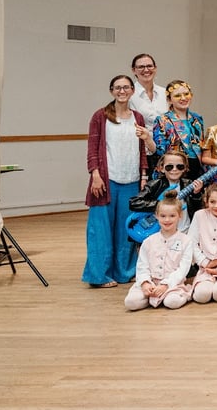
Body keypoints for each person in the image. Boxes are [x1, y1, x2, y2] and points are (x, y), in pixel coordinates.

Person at [83, 74, 147, 288]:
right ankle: (99, 276)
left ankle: (124, 272)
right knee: (100, 230)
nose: (122, 91)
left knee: (126, 230)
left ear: (132, 91)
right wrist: (95, 174)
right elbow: (93, 148)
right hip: (106, 181)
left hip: (132, 180)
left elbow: (142, 150)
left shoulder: (138, 117)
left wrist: (144, 176)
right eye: (118, 87)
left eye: (126, 87)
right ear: (111, 91)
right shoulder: (100, 116)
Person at [123, 197, 192, 311]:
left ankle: (179, 295)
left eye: (172, 216)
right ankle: (151, 297)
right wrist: (145, 282)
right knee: (130, 303)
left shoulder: (186, 241)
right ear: (156, 216)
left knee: (172, 302)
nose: (167, 220)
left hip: (172, 285)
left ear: (180, 216)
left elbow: (183, 269)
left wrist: (166, 284)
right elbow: (142, 266)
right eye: (163, 216)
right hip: (151, 283)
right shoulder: (148, 241)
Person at [148, 80, 205, 182]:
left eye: (186, 94)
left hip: (196, 169)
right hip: (174, 170)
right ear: (169, 100)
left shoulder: (197, 118)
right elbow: (160, 152)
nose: (183, 98)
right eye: (177, 95)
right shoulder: (162, 120)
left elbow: (201, 146)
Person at [127, 53, 166, 128]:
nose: (146, 70)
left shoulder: (165, 93)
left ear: (155, 68)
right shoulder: (128, 95)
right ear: (134, 70)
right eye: (141, 67)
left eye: (149, 66)